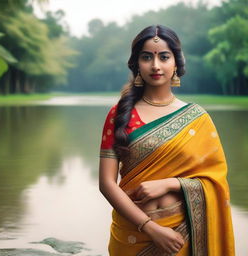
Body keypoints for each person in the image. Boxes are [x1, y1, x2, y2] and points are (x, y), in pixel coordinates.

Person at [98, 24, 235, 256]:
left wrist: (170, 183)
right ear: (136, 64)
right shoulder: (119, 114)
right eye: (146, 57)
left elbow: (215, 181)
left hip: (182, 234)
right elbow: (106, 184)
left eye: (164, 57)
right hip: (132, 236)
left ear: (176, 63)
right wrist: (150, 228)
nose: (155, 65)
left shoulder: (197, 119)